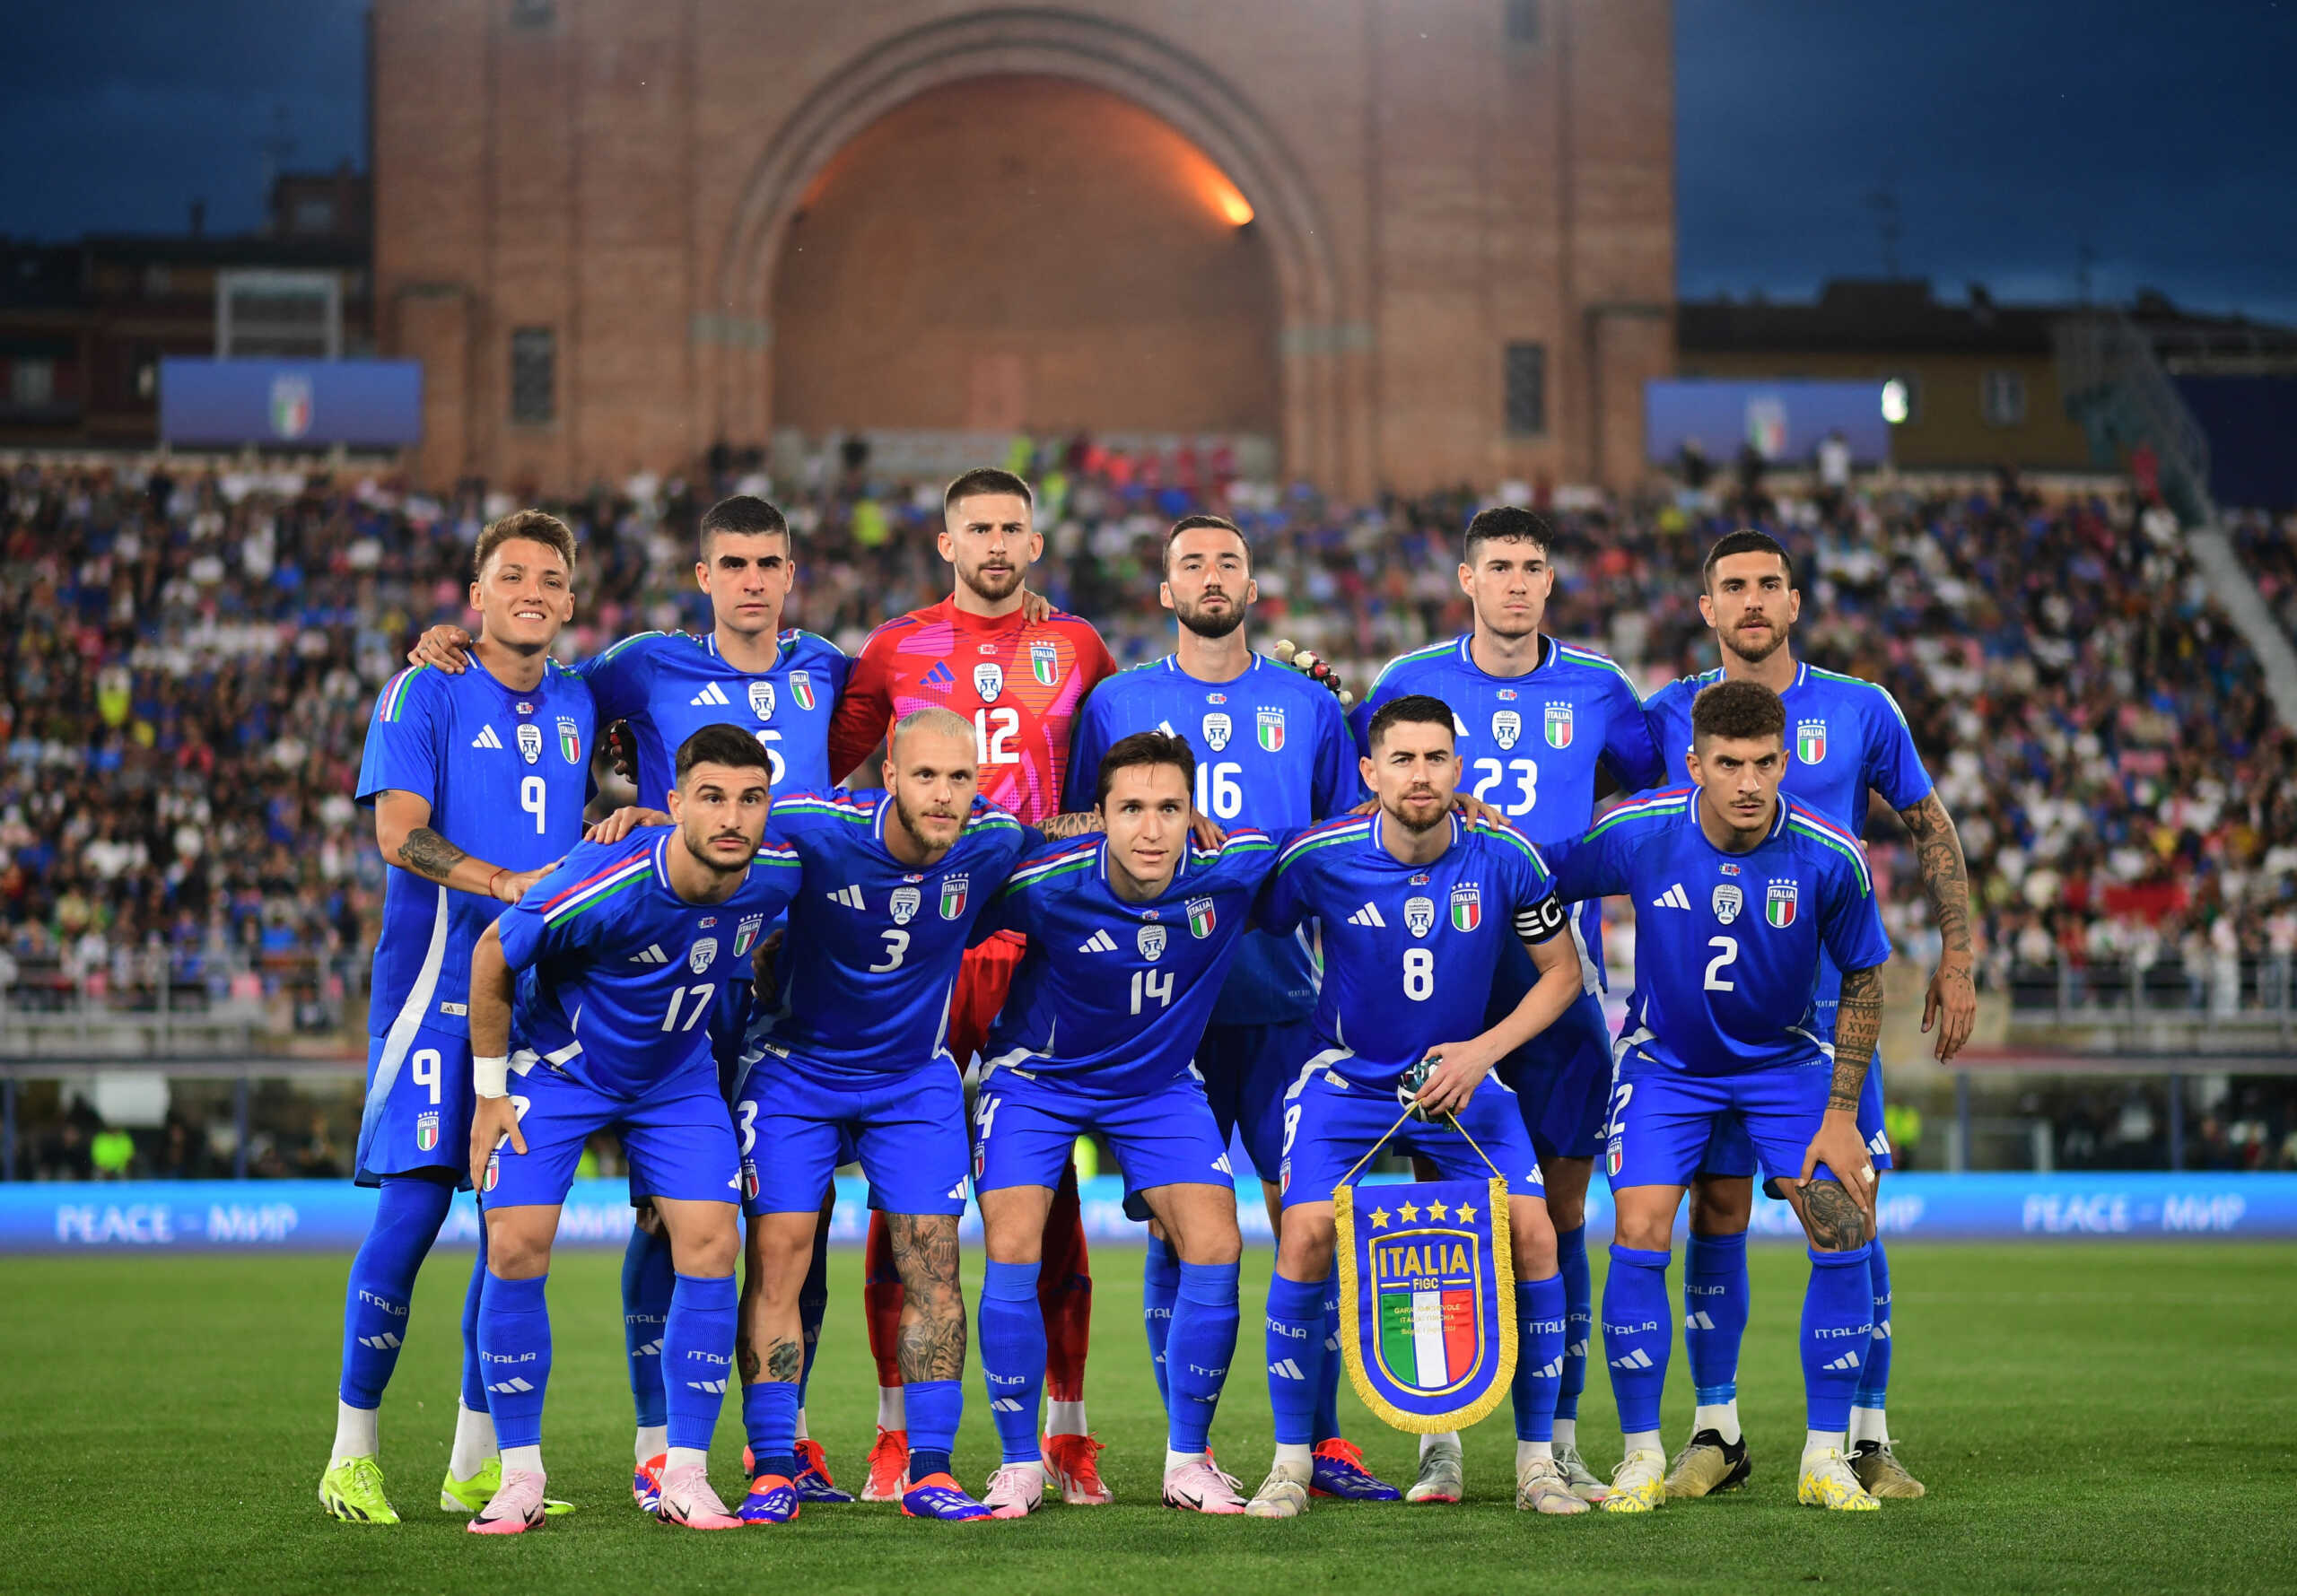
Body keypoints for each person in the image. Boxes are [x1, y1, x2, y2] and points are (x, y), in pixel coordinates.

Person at [1063, 515, 1397, 1500]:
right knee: (1178, 1227)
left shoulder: (1308, 704)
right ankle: (1185, 1455)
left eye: (1230, 562)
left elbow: (1350, 847)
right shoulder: (1117, 701)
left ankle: (1324, 1441)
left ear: (1255, 587)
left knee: (1310, 1220)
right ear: (1164, 592)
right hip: (1161, 1012)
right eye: (1191, 564)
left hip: (1283, 1004)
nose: (1212, 577)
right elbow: (1080, 829)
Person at [1642, 529, 1973, 1501]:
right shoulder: (1669, 715)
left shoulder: (1862, 709)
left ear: (1794, 603)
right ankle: (1716, 1429)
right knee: (1717, 1208)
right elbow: (1599, 816)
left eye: (1769, 585)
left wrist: (1958, 954)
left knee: (1849, 1206)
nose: (1752, 601)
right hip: (1712, 1022)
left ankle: (1864, 1439)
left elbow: (1929, 823)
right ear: (1706, 608)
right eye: (1732, 587)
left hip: (1835, 1020)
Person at [1351, 506, 1664, 1504]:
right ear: (1466, 579)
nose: (1519, 582)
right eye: (1500, 566)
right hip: (1439, 974)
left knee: (1562, 1216)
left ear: (1548, 581)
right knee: (1442, 1211)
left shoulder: (1601, 688)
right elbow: (1369, 805)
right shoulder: (1410, 683)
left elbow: (1650, 795)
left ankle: (1556, 1438)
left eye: (1534, 566)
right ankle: (1438, 1436)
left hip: (1551, 976)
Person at [825, 468, 1120, 1504]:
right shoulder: (893, 648)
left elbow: (1116, 781)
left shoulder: (1077, 647)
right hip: (927, 945)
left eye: (1012, 527)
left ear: (1035, 544)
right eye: (977, 528)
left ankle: (1068, 1430)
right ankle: (895, 1431)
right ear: (945, 545)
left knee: (1050, 1190)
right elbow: (832, 779)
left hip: (1041, 943)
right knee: (905, 1194)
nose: (996, 543)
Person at [1543, 679, 1894, 1513]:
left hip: (1784, 1064)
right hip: (1666, 1063)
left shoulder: (1830, 852)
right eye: (1727, 763)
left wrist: (1842, 1115)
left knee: (1843, 1218)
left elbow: (1866, 977)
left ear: (1785, 761)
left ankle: (1824, 1455)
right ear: (1694, 762)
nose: (1747, 781)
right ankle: (1638, 1456)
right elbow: (1540, 876)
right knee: (1638, 1224)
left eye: (1763, 763)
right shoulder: (1636, 830)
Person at [1243, 694, 1588, 1520]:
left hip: (1463, 1079)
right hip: (1349, 1082)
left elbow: (1564, 973)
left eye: (1436, 758)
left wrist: (1481, 1053)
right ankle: (1292, 1462)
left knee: (1538, 1232)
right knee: (1305, 1229)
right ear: (1370, 773)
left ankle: (1538, 1464)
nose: (1420, 774)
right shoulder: (1319, 856)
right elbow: (1252, 916)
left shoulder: (1505, 853)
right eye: (1402, 758)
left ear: (1459, 768)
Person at [319, 510, 595, 1527]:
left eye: (551, 578)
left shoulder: (579, 698)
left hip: (535, 1006)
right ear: (473, 596)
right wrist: (503, 881)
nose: (533, 590)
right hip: (434, 999)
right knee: (414, 1211)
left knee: (508, 1231)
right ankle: (351, 1452)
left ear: (570, 601)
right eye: (511, 574)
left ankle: (476, 1463)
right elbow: (399, 834)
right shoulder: (423, 688)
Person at [461, 725, 798, 1532]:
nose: (733, 817)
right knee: (514, 1243)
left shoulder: (777, 875)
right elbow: (491, 955)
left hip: (675, 1079)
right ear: (674, 804)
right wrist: (488, 1093)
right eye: (711, 797)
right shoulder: (604, 880)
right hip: (562, 1066)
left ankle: (684, 1471)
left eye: (751, 799)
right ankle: (518, 1476)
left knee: (714, 1242)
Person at [729, 707, 1037, 1523]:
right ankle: (771, 1465)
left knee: (934, 1266)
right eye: (926, 775)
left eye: (960, 778)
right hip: (796, 1070)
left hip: (912, 1078)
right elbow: (719, 824)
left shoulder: (992, 840)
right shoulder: (815, 826)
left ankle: (929, 1469)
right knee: (780, 1257)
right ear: (889, 774)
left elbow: (1069, 831)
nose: (943, 796)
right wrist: (647, 814)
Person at [973, 731, 1279, 1515]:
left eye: (1169, 809)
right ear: (1099, 815)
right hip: (1039, 1080)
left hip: (1157, 1086)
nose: (1151, 829)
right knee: (1013, 1244)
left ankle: (1187, 1462)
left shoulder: (1234, 870)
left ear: (1193, 814)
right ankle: (1019, 1464)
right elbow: (954, 889)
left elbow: (1326, 844)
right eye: (1132, 809)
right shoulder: (1044, 883)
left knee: (1217, 1243)